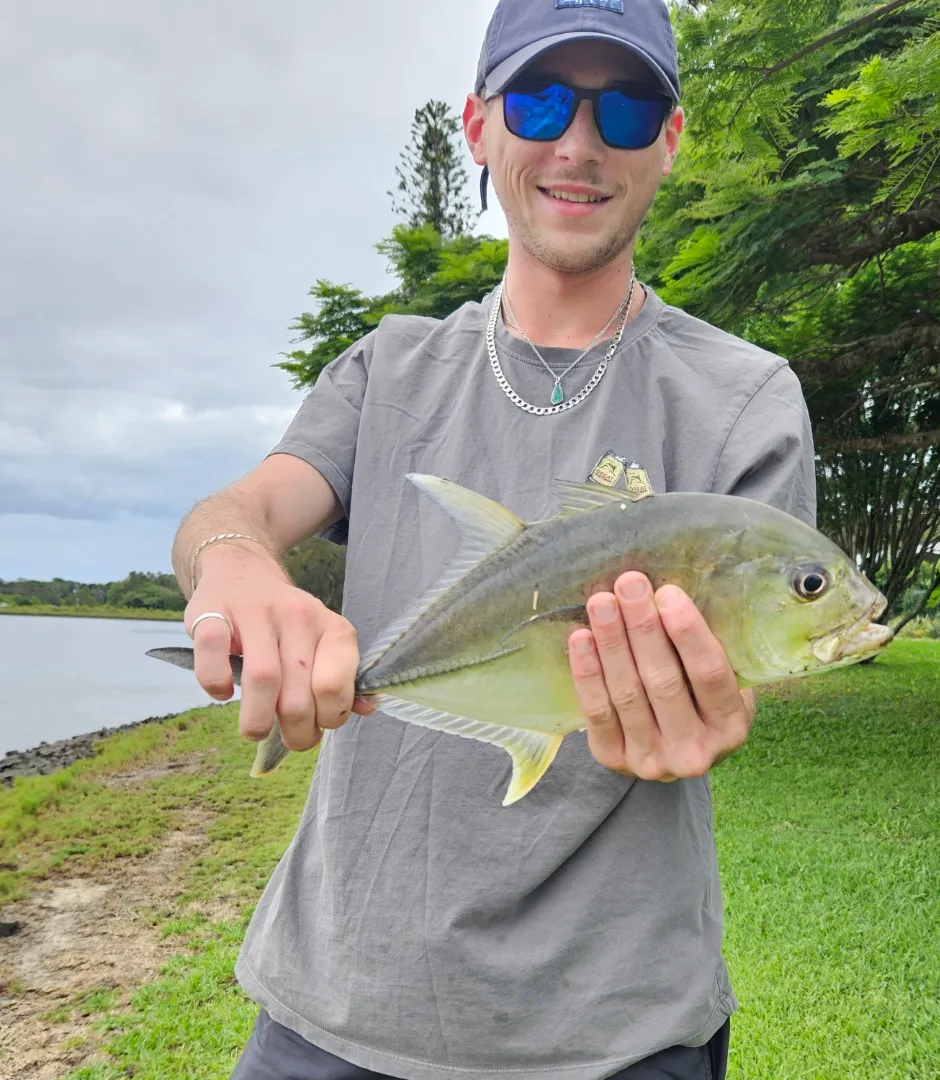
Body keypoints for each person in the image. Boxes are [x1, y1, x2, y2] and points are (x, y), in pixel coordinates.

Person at [174, 1, 816, 1077]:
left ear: (671, 138)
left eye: (624, 107)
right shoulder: (388, 368)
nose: (578, 141)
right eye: (540, 99)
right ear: (478, 125)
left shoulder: (745, 399)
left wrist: (702, 718)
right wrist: (233, 563)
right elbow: (233, 515)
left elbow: (744, 668)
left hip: (617, 1031)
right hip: (331, 1012)